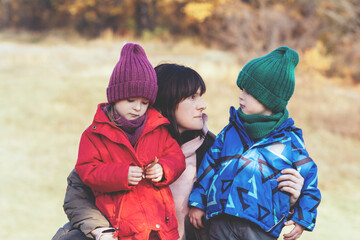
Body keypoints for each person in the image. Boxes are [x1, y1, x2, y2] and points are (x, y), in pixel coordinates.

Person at [52, 62, 305, 240]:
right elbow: (78, 193)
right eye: (192, 97)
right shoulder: (120, 143)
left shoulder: (214, 151)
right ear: (167, 102)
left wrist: (291, 201)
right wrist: (101, 231)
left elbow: (243, 205)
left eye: (201, 96)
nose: (202, 105)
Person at [188, 46, 321, 240]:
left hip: (260, 227)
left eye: (249, 92)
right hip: (221, 220)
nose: (241, 95)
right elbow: (209, 166)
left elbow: (309, 180)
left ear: (269, 99)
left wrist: (302, 218)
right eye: (242, 89)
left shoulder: (289, 142)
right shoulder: (231, 131)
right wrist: (197, 203)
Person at [73, 43, 187, 240]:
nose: (138, 108)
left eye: (144, 103)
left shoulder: (157, 128)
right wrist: (121, 174)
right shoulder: (95, 134)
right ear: (115, 98)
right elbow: (87, 170)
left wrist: (163, 170)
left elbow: (176, 157)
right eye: (131, 100)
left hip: (161, 228)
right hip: (124, 228)